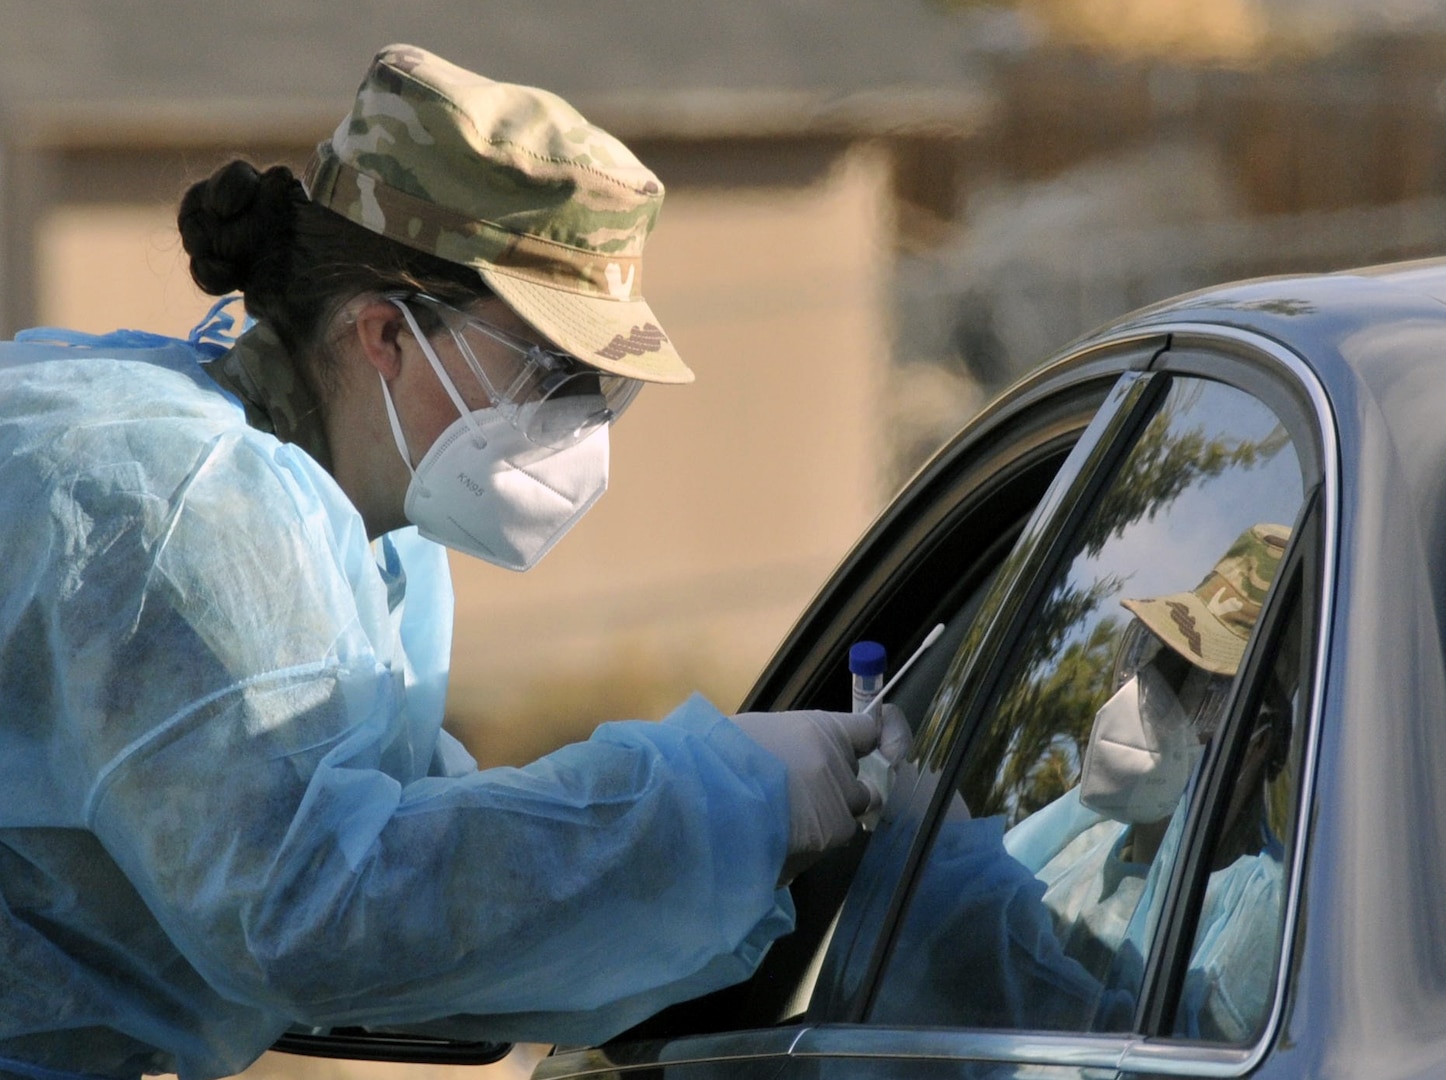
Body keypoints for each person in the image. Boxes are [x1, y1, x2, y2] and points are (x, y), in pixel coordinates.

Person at [0, 45, 891, 1080]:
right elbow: (323, 912)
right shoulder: (186, 507)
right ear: (384, 331)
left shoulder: (361, 534)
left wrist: (738, 826)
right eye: (554, 371)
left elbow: (434, 872)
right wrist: (720, 800)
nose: (580, 426)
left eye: (604, 388)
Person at [874, 524, 1294, 1039]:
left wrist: (970, 900)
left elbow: (1170, 1059)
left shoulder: (1262, 910)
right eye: (1150, 657)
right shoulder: (1077, 833)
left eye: (1191, 683)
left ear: (1254, 740)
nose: (1145, 694)